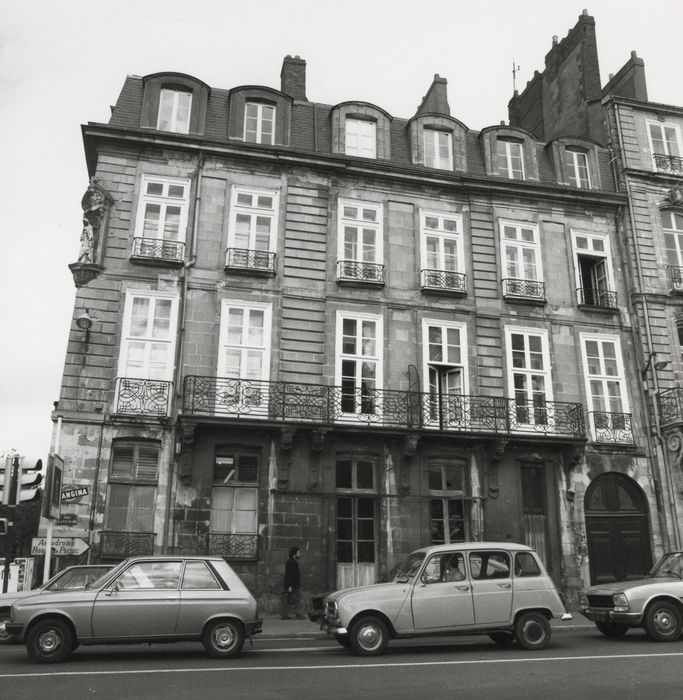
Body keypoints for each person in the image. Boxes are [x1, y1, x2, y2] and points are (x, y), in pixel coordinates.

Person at [281, 546, 305, 620]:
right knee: (298, 599)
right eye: (298, 553)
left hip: (290, 584)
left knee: (287, 599)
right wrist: (290, 586)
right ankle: (298, 614)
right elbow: (291, 574)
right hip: (293, 585)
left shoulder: (290, 561)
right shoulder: (292, 562)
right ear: (294, 554)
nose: (299, 555)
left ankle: (285, 615)